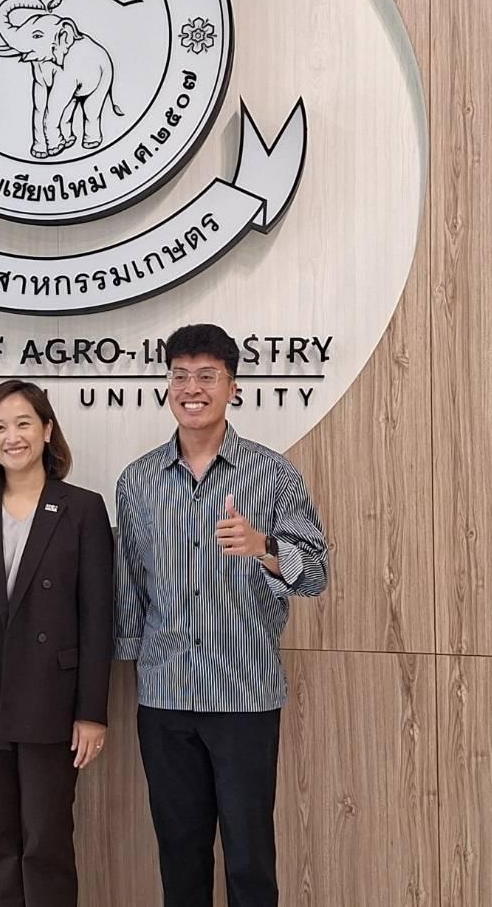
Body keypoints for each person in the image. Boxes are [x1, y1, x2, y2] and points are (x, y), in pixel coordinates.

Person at [114, 323, 329, 907]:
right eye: (180, 375)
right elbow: (129, 587)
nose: (192, 388)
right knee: (179, 855)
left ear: (233, 387)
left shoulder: (273, 474)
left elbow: (315, 575)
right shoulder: (137, 481)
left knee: (250, 859)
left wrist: (264, 547)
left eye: (207, 376)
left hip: (245, 696)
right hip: (165, 698)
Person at [0, 379, 114, 907]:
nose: (11, 437)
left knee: (46, 843)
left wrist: (92, 713)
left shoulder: (82, 508)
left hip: (51, 698)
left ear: (47, 430)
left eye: (23, 424)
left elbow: (97, 618)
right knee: (0, 843)